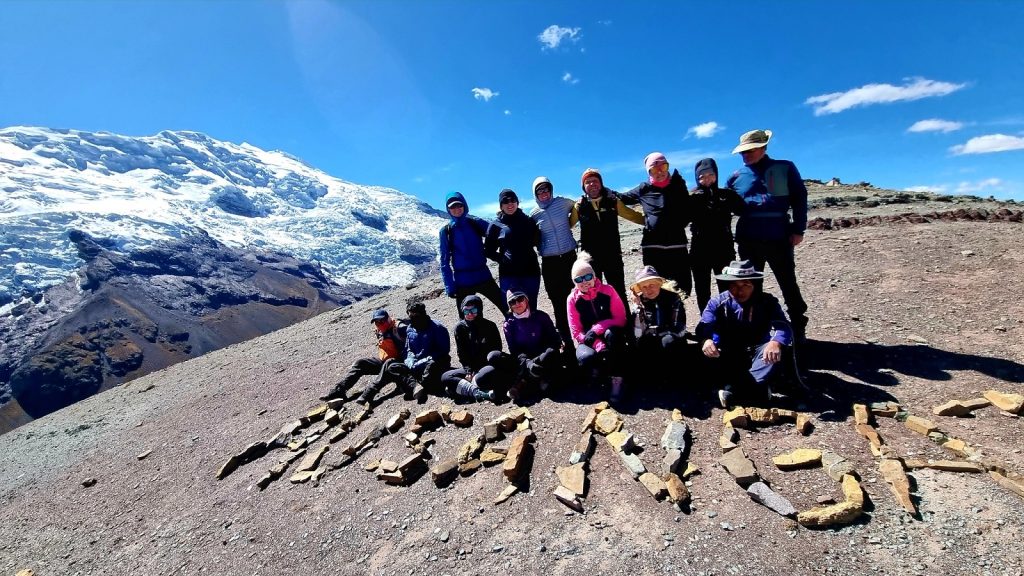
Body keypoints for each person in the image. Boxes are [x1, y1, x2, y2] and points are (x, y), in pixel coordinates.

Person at [726, 130, 808, 343]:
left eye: (750, 150)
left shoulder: (784, 168)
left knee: (787, 281)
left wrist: (799, 229)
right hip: (748, 237)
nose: (746, 155)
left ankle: (798, 325)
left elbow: (799, 198)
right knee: (751, 284)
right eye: (743, 152)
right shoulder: (736, 177)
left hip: (778, 235)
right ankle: (757, 328)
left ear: (764, 147)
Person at [695, 260, 793, 409]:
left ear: (753, 284)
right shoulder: (718, 302)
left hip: (759, 349)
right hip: (728, 350)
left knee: (778, 351)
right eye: (734, 286)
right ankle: (756, 390)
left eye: (745, 285)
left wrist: (776, 342)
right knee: (704, 355)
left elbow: (784, 327)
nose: (740, 291)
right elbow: (704, 327)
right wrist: (706, 340)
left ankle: (733, 390)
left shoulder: (767, 301)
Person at [620, 152, 693, 296]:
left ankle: (679, 318)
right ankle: (660, 318)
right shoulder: (644, 188)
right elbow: (623, 198)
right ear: (649, 172)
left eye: (663, 166)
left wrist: (680, 223)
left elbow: (687, 209)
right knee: (656, 289)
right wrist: (604, 192)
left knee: (683, 289)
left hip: (677, 246)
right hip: (653, 248)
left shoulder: (678, 185)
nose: (659, 171)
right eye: (654, 169)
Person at [476, 289, 566, 401]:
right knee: (493, 356)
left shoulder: (541, 316)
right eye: (512, 302)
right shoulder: (509, 324)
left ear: (526, 300)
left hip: (542, 357)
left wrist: (536, 361)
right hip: (523, 360)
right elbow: (514, 350)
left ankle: (524, 382)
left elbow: (553, 340)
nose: (517, 304)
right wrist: (528, 363)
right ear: (510, 306)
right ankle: (536, 379)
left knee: (551, 353)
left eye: (520, 299)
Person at [575, 168, 644, 314]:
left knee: (617, 289)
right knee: (594, 292)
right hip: (590, 260)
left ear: (601, 184)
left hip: (613, 255)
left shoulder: (612, 201)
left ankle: (625, 325)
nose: (592, 184)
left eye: (595, 181)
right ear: (583, 187)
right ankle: (600, 325)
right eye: (588, 182)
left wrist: (652, 222)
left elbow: (631, 215)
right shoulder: (579, 206)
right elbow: (567, 224)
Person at [567, 252, 629, 403]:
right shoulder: (572, 300)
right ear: (574, 282)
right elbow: (576, 332)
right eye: (579, 279)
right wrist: (596, 343)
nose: (585, 282)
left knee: (612, 335)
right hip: (588, 339)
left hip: (608, 332)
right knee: (585, 356)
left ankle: (617, 378)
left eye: (588, 276)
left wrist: (597, 328)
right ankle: (600, 375)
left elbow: (621, 319)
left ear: (594, 276)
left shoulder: (608, 291)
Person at [439, 191, 509, 319]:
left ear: (464, 205)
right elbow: (444, 261)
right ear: (448, 209)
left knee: (506, 308)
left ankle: (518, 334)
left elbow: (497, 232)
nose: (456, 209)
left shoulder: (474, 223)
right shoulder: (446, 231)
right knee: (466, 320)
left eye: (459, 205)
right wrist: (449, 286)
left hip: (483, 275)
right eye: (452, 207)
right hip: (463, 281)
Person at [689, 157, 745, 313]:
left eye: (710, 175)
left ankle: (729, 320)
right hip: (699, 251)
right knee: (702, 289)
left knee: (727, 286)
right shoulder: (692, 197)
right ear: (697, 178)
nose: (706, 179)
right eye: (702, 176)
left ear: (716, 174)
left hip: (724, 249)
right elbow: (680, 219)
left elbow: (742, 210)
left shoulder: (726, 195)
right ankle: (707, 322)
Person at [530, 176, 578, 349]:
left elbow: (578, 207)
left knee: (577, 295)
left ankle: (582, 332)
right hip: (550, 263)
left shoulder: (563, 203)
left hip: (569, 257)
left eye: (546, 189)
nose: (544, 193)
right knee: (558, 301)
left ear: (551, 189)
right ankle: (565, 338)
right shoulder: (534, 214)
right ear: (535, 194)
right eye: (539, 190)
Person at [370, 302, 451, 403]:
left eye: (416, 316)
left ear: (423, 313)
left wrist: (420, 362)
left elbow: (443, 351)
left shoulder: (438, 328)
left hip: (434, 362)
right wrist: (410, 362)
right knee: (391, 366)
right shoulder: (410, 328)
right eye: (410, 316)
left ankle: (416, 386)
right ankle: (416, 386)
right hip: (416, 365)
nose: (412, 319)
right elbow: (408, 350)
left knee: (431, 369)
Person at [319, 309, 407, 402]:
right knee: (361, 363)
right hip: (385, 361)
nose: (379, 324)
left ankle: (371, 394)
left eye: (382, 321)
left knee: (388, 367)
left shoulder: (399, 328)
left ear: (388, 319)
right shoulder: (381, 331)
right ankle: (338, 391)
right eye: (377, 322)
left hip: (399, 364)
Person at [629, 266, 688, 386]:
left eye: (652, 285)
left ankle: (673, 379)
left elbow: (679, 329)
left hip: (671, 338)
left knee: (668, 341)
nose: (648, 290)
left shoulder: (673, 298)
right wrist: (637, 308)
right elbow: (637, 334)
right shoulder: (640, 302)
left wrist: (656, 332)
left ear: (659, 283)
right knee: (642, 345)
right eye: (644, 287)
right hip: (650, 339)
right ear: (639, 289)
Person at [439, 295, 503, 402]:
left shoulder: (490, 326)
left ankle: (463, 389)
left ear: (479, 309)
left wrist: (481, 368)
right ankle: (478, 392)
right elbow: (461, 352)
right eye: (466, 311)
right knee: (445, 377)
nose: (469, 314)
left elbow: (497, 350)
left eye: (473, 310)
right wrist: (469, 370)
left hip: (487, 366)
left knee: (484, 377)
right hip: (471, 368)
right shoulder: (460, 328)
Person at [485, 188, 542, 308]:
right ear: (501, 206)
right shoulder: (495, 225)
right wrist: (503, 258)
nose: (509, 204)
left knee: (531, 306)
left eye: (513, 200)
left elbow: (537, 240)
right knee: (512, 308)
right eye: (505, 201)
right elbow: (488, 250)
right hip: (509, 274)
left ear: (517, 202)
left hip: (531, 271)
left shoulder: (528, 221)